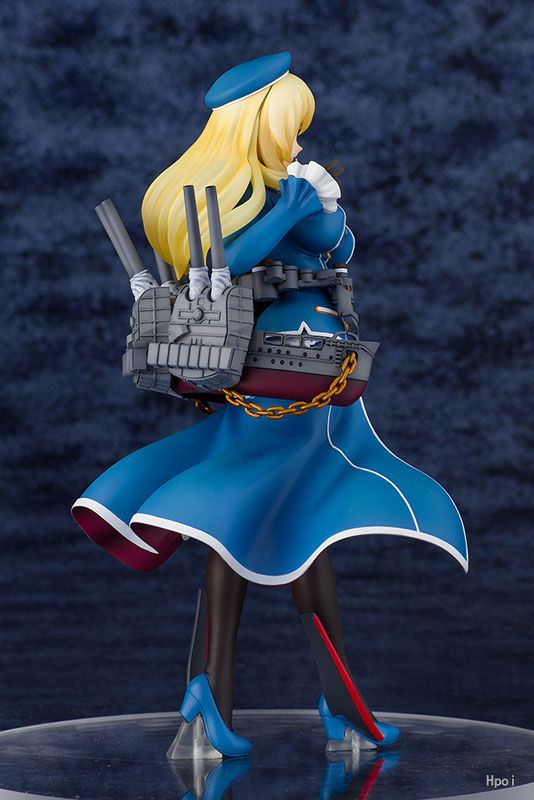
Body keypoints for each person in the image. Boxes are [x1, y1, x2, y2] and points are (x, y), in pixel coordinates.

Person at [72, 53, 468, 758]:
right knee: (254, 520)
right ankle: (273, 701)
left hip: (312, 388)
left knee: (292, 527)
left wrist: (322, 205)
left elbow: (341, 244)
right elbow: (220, 261)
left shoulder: (285, 186)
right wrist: (292, 206)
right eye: (291, 126)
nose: (299, 141)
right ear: (259, 126)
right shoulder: (240, 198)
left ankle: (280, 701)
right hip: (276, 384)